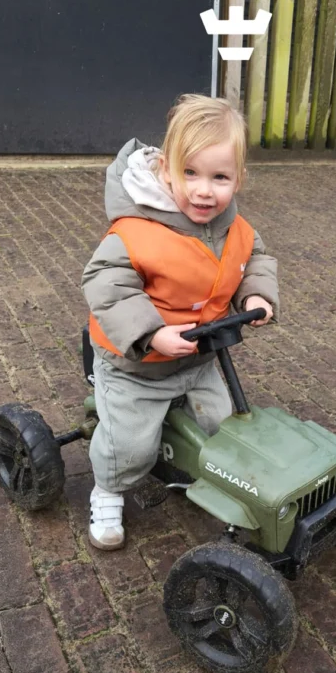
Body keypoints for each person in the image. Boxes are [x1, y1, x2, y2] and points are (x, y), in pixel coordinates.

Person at [82, 94, 279, 550]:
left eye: (219, 177)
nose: (204, 190)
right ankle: (107, 489)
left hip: (198, 360)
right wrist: (151, 333)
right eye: (189, 173)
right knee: (130, 449)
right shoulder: (136, 230)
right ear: (166, 169)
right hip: (138, 368)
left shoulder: (235, 227)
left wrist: (256, 294)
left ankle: (196, 469)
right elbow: (106, 283)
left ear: (238, 179)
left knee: (222, 429)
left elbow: (255, 258)